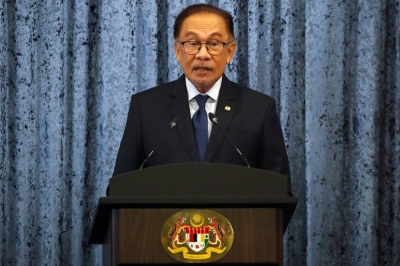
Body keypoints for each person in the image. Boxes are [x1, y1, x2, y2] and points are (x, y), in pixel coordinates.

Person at [112, 4, 291, 189]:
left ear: (229, 51)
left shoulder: (259, 109)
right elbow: (120, 188)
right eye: (192, 44)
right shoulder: (146, 108)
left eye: (213, 44)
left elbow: (279, 190)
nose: (203, 55)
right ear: (177, 51)